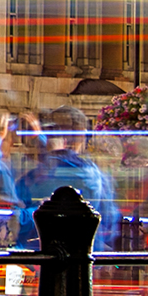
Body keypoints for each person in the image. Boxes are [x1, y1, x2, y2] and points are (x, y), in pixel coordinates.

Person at [14, 106, 119, 250]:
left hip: (47, 254)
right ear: (82, 135)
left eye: (52, 131)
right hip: (84, 252)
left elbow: (19, 217)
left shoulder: (78, 172)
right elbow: (110, 221)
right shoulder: (94, 173)